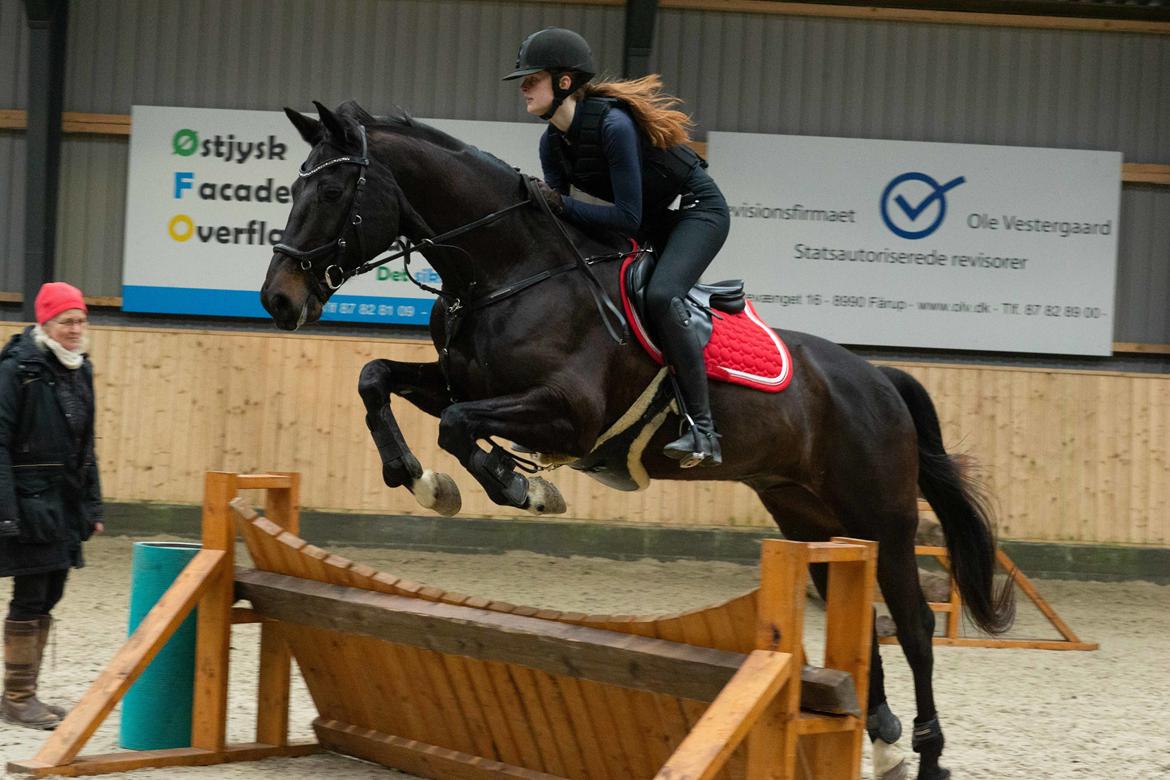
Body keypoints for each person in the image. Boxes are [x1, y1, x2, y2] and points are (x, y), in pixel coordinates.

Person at [504, 27, 731, 468]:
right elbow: (561, 216)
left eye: (532, 79)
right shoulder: (552, 141)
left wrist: (555, 202)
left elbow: (623, 217)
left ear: (564, 82)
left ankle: (703, 430)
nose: (524, 88)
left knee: (662, 295)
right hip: (653, 218)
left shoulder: (613, 125)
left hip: (697, 211)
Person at [0, 282, 104, 730]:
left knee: (53, 592)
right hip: (27, 504)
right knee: (32, 595)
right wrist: (6, 512)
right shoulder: (16, 371)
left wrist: (93, 507)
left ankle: (23, 692)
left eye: (81, 320)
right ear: (47, 323)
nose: (76, 328)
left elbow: (86, 447)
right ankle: (18, 697)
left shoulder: (81, 370)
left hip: (63, 503)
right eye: (68, 321)